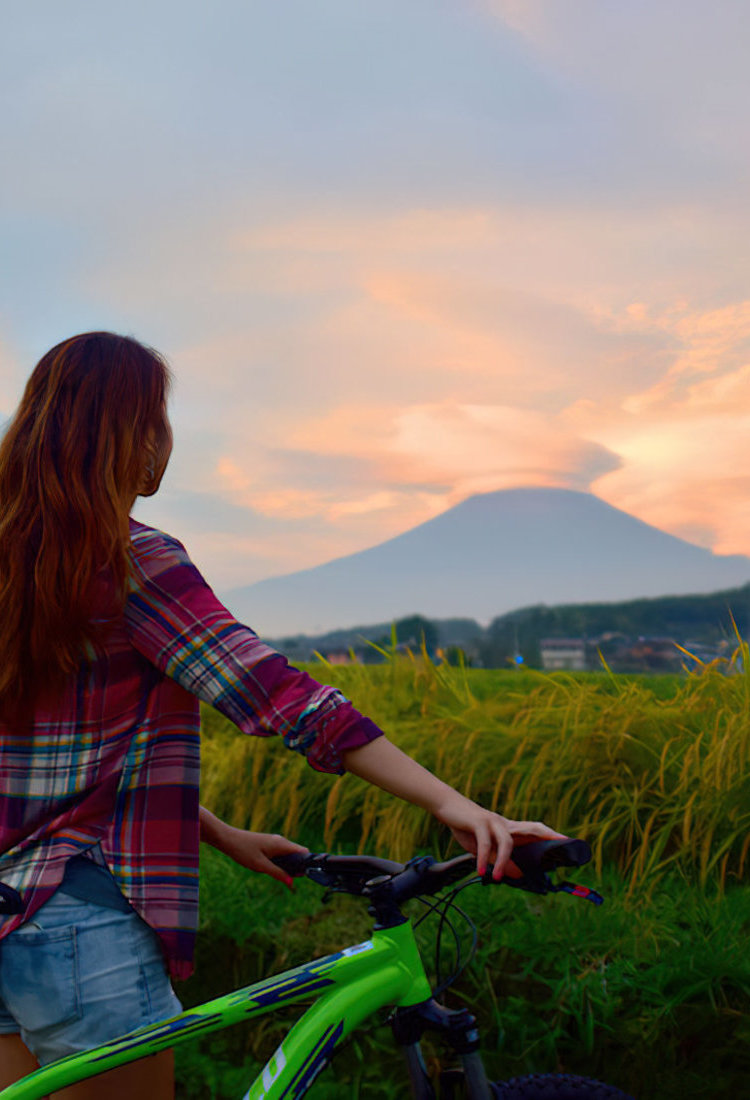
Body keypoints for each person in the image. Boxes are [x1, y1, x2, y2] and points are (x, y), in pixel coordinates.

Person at [0, 333, 562, 1099]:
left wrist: (218, 831)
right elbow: (280, 696)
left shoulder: (16, 563)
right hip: (79, 927)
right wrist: (454, 804)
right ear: (135, 436)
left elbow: (51, 761)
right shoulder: (132, 563)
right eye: (157, 418)